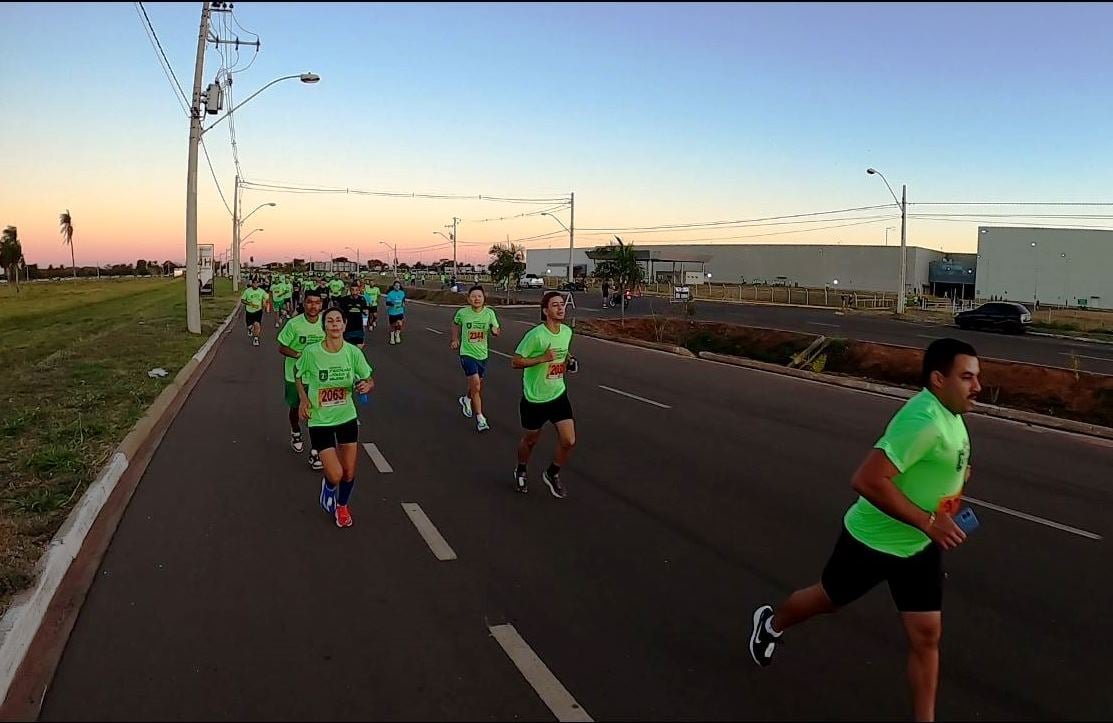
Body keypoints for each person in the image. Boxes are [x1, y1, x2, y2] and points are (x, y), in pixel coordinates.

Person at [748, 338, 981, 723]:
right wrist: (927, 520)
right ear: (939, 379)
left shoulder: (951, 414)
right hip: (872, 540)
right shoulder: (922, 422)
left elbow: (940, 469)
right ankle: (770, 624)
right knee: (828, 599)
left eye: (977, 377)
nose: (977, 386)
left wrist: (950, 493)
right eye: (967, 377)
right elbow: (867, 480)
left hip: (919, 545)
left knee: (926, 635)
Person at [295, 307, 374, 528]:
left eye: (339, 320)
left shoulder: (353, 353)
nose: (335, 324)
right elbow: (298, 374)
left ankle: (342, 506)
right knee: (336, 473)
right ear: (324, 327)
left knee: (349, 472)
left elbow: (369, 378)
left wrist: (367, 385)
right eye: (330, 321)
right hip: (320, 420)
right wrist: (303, 399)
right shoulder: (311, 353)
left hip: (346, 417)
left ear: (344, 325)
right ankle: (329, 487)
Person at [511, 291, 577, 497]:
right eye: (555, 305)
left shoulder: (566, 332)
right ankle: (521, 469)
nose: (560, 308)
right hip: (535, 398)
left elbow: (563, 352)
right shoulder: (536, 335)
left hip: (558, 394)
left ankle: (552, 473)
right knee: (530, 440)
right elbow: (515, 361)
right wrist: (542, 358)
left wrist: (569, 360)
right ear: (545, 311)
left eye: (562, 304)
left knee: (569, 440)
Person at [278, 289, 327, 468]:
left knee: (317, 413)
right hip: (295, 375)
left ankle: (315, 451)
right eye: (309, 302)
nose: (313, 306)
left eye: (317, 302)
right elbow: (282, 348)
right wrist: (299, 354)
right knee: (295, 408)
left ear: (321, 305)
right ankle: (296, 431)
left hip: (319, 377)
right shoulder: (294, 324)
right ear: (304, 303)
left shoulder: (325, 323)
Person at [451, 285, 501, 432]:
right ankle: (480, 418)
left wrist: (494, 331)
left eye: (479, 296)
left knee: (476, 385)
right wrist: (455, 339)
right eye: (473, 296)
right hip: (467, 354)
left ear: (484, 298)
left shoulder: (489, 313)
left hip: (483, 355)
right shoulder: (462, 313)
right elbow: (455, 324)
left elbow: (497, 330)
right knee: (477, 386)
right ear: (468, 299)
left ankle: (466, 399)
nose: (476, 299)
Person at [338, 282, 371, 349]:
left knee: (359, 347)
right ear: (350, 290)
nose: (354, 292)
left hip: (358, 326)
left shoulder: (362, 299)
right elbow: (340, 312)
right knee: (347, 347)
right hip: (348, 327)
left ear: (359, 290)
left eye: (356, 290)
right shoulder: (345, 299)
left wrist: (366, 323)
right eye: (352, 290)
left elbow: (366, 312)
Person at [241, 278, 269, 347]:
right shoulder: (247, 291)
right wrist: (250, 304)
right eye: (254, 283)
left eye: (257, 283)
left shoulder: (262, 291)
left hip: (258, 311)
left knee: (257, 324)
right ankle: (250, 329)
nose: (256, 284)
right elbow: (243, 300)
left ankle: (256, 339)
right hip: (249, 311)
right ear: (252, 284)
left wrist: (265, 303)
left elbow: (266, 298)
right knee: (249, 325)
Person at [385, 280, 406, 345]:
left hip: (400, 311)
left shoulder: (402, 293)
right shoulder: (390, 294)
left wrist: (403, 303)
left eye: (398, 286)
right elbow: (387, 303)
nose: (397, 287)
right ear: (394, 286)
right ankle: (392, 337)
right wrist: (392, 304)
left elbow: (403, 300)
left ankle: (397, 334)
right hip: (392, 312)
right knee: (393, 325)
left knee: (400, 324)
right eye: (396, 286)